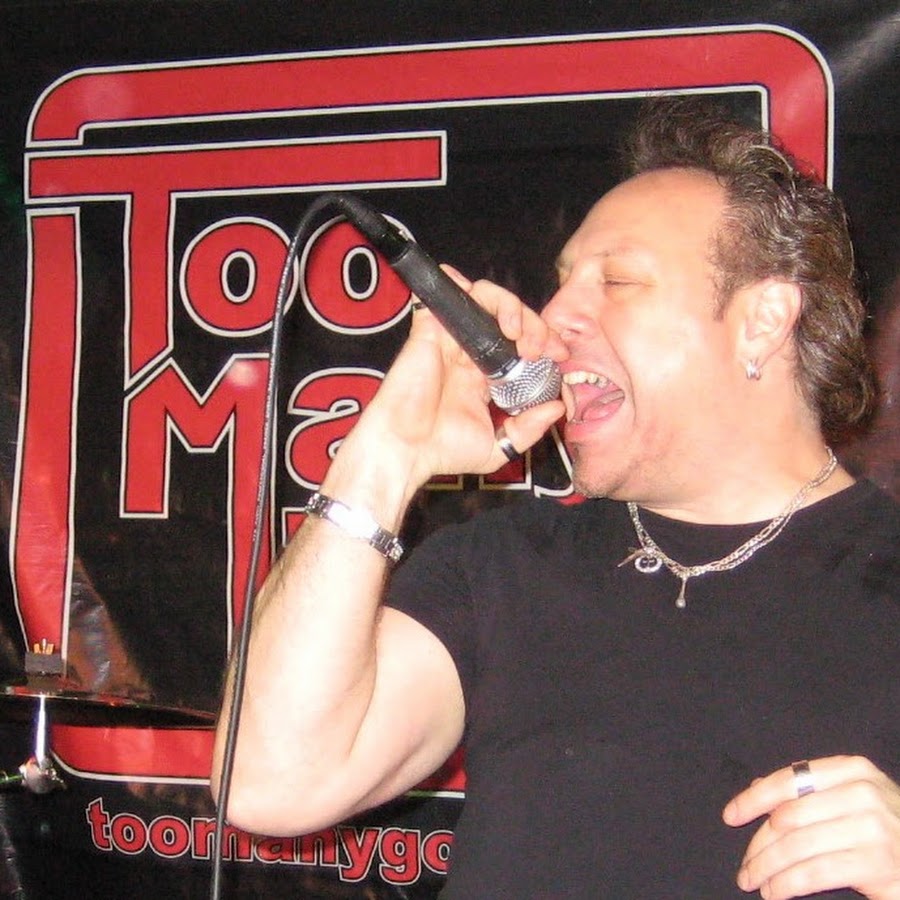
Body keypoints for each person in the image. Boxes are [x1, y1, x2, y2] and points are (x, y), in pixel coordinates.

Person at [211, 97, 900, 898]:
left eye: (618, 280)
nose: (557, 314)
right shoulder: (501, 567)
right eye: (565, 281)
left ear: (763, 321)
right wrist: (388, 453)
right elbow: (268, 782)